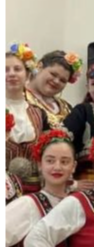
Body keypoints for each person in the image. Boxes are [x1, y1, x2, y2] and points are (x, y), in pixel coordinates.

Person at [6, 43, 49, 193]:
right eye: (5, 70)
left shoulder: (39, 113)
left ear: (28, 74)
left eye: (17, 69)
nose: (12, 74)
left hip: (34, 190)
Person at [25, 50, 82, 129]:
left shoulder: (67, 108)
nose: (56, 81)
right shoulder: (19, 99)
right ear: (40, 66)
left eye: (62, 80)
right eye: (53, 74)